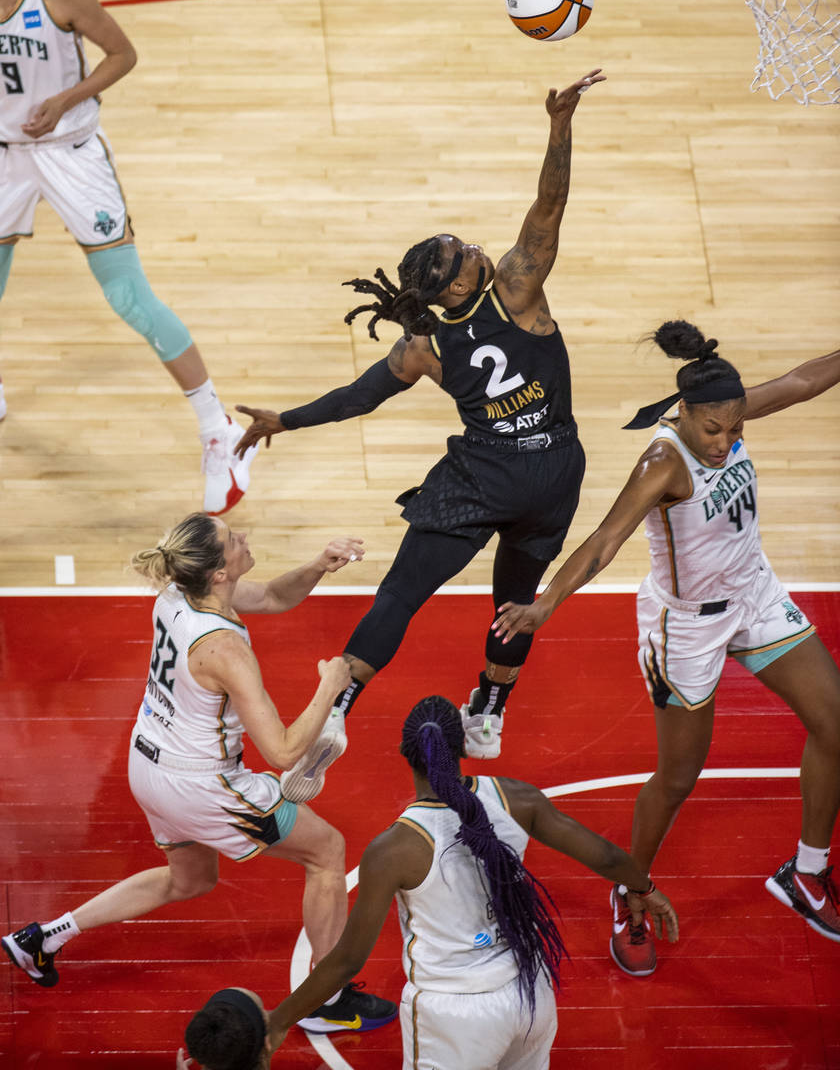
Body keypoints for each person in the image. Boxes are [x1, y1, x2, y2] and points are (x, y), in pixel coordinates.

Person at [234, 68, 606, 802]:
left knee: (401, 593)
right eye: (465, 252)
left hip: (482, 477)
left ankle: (337, 706)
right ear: (462, 285)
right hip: (555, 472)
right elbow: (551, 202)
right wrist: (560, 125)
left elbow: (358, 399)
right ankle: (491, 711)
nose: (476, 248)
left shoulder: (422, 345)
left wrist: (285, 419)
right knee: (517, 594)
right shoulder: (519, 291)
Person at [492, 321, 840, 973]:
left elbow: (802, 381)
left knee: (836, 724)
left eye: (735, 430)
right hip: (687, 627)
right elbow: (602, 542)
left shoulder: (726, 409)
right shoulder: (663, 461)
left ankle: (808, 871)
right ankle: (630, 889)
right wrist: (544, 604)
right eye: (714, 430)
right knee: (678, 777)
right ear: (686, 414)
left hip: (754, 594)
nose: (726, 441)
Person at [0, 512, 396, 1034]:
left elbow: (274, 596)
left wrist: (319, 566)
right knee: (326, 853)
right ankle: (327, 1000)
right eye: (234, 540)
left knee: (188, 881)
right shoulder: (225, 649)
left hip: (149, 764)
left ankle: (44, 938)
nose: (245, 538)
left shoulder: (178, 595)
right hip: (202, 784)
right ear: (218, 574)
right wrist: (331, 686)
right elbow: (281, 750)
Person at [0, 0, 254, 514]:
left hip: (71, 152)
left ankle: (221, 432)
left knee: (130, 297)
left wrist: (64, 100)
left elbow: (123, 54)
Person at [176, 695, 678, 1070]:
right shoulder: (516, 798)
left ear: (404, 754)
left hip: (454, 1017)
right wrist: (645, 889)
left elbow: (348, 959)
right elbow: (609, 857)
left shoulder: (394, 849)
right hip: (531, 995)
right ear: (462, 748)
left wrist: (280, 1021)